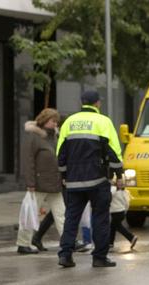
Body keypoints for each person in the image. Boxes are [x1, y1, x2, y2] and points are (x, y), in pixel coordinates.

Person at [56, 90, 123, 268]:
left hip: (73, 181)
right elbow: (113, 151)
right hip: (98, 179)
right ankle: (99, 257)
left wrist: (64, 175)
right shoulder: (104, 122)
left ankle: (65, 255)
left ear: (82, 102)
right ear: (98, 103)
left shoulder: (69, 122)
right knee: (100, 218)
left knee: (71, 218)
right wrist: (119, 174)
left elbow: (60, 153)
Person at [17, 108, 65, 254]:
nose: (55, 124)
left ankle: (68, 240)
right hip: (38, 183)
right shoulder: (33, 137)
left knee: (62, 213)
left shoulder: (54, 137)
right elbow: (28, 161)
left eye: (56, 121)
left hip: (54, 182)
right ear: (44, 120)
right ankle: (23, 243)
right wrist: (30, 183)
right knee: (30, 213)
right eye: (52, 121)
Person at [109, 181, 138, 250]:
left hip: (116, 212)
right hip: (121, 212)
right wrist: (125, 211)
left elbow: (109, 195)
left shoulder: (113, 189)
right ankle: (110, 243)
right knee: (112, 227)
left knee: (118, 226)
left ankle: (131, 237)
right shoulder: (124, 192)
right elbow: (127, 203)